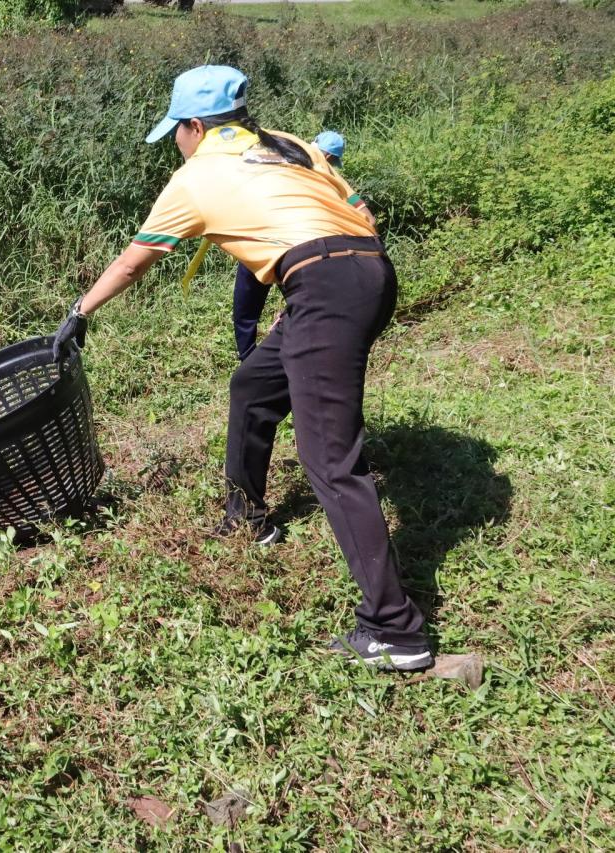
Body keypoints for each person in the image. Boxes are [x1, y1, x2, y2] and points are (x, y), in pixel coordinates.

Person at [51, 66, 431, 671]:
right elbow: (357, 214)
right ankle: (246, 517)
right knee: (253, 384)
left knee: (330, 461)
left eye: (175, 132)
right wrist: (309, 294)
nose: (175, 143)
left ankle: (395, 631)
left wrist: (79, 311)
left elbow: (134, 261)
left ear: (195, 127)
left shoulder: (197, 175)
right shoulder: (291, 144)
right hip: (364, 272)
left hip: (324, 287)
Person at [231, 130, 376, 360]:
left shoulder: (280, 157)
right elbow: (368, 218)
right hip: (298, 247)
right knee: (304, 304)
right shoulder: (324, 172)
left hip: (258, 241)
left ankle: (248, 360)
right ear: (328, 157)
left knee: (246, 311)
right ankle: (299, 352)